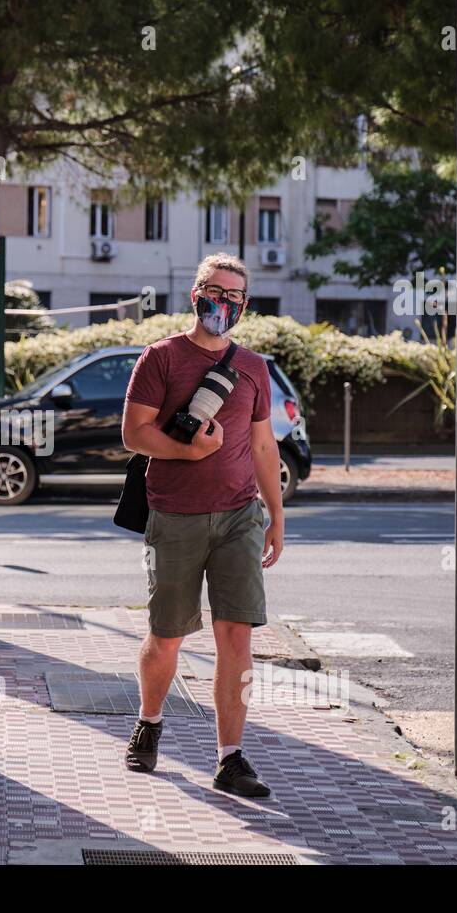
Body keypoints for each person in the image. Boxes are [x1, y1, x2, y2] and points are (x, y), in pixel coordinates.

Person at [120, 253, 285, 797]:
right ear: (196, 294)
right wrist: (187, 455)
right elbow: (134, 434)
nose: (226, 303)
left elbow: (263, 444)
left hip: (240, 514)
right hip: (175, 514)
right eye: (217, 292)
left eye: (237, 296)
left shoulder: (254, 367)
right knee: (167, 635)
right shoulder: (161, 358)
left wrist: (275, 514)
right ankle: (149, 721)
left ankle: (231, 758)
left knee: (236, 634)